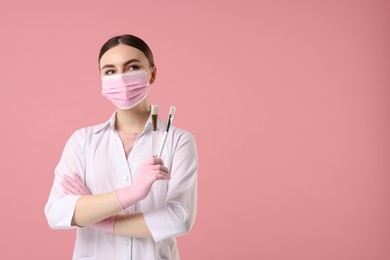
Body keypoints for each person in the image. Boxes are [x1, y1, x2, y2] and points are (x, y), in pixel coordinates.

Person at [44, 34, 198, 260]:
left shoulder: (178, 141)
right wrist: (130, 194)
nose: (121, 78)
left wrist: (99, 218)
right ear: (101, 78)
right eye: (110, 71)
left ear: (152, 73)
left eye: (132, 67)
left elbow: (179, 218)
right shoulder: (83, 141)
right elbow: (57, 212)